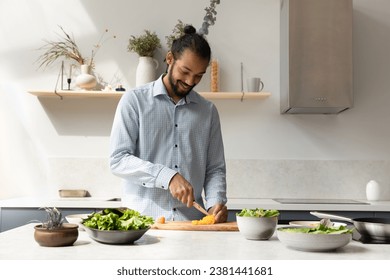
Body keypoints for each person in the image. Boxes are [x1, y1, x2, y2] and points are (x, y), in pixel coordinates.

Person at [109, 25, 227, 223]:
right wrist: (167, 176)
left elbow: (215, 168)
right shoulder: (134, 101)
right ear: (170, 59)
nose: (190, 81)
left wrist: (215, 201)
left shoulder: (208, 111)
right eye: (185, 71)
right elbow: (118, 160)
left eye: (199, 75)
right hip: (142, 225)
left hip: (191, 225)